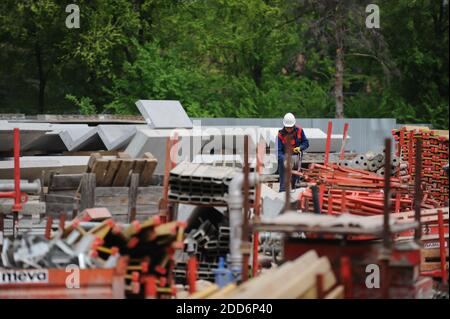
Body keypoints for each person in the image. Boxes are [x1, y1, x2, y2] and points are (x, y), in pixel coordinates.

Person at [277, 113, 309, 192]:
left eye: (291, 128)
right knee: (284, 181)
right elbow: (278, 152)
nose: (289, 129)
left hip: (296, 158)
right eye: (287, 128)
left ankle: (296, 193)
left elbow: (306, 143)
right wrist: (285, 160)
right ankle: (282, 192)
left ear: (294, 125)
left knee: (296, 181)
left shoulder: (300, 131)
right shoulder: (280, 135)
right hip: (285, 159)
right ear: (284, 126)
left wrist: (300, 148)